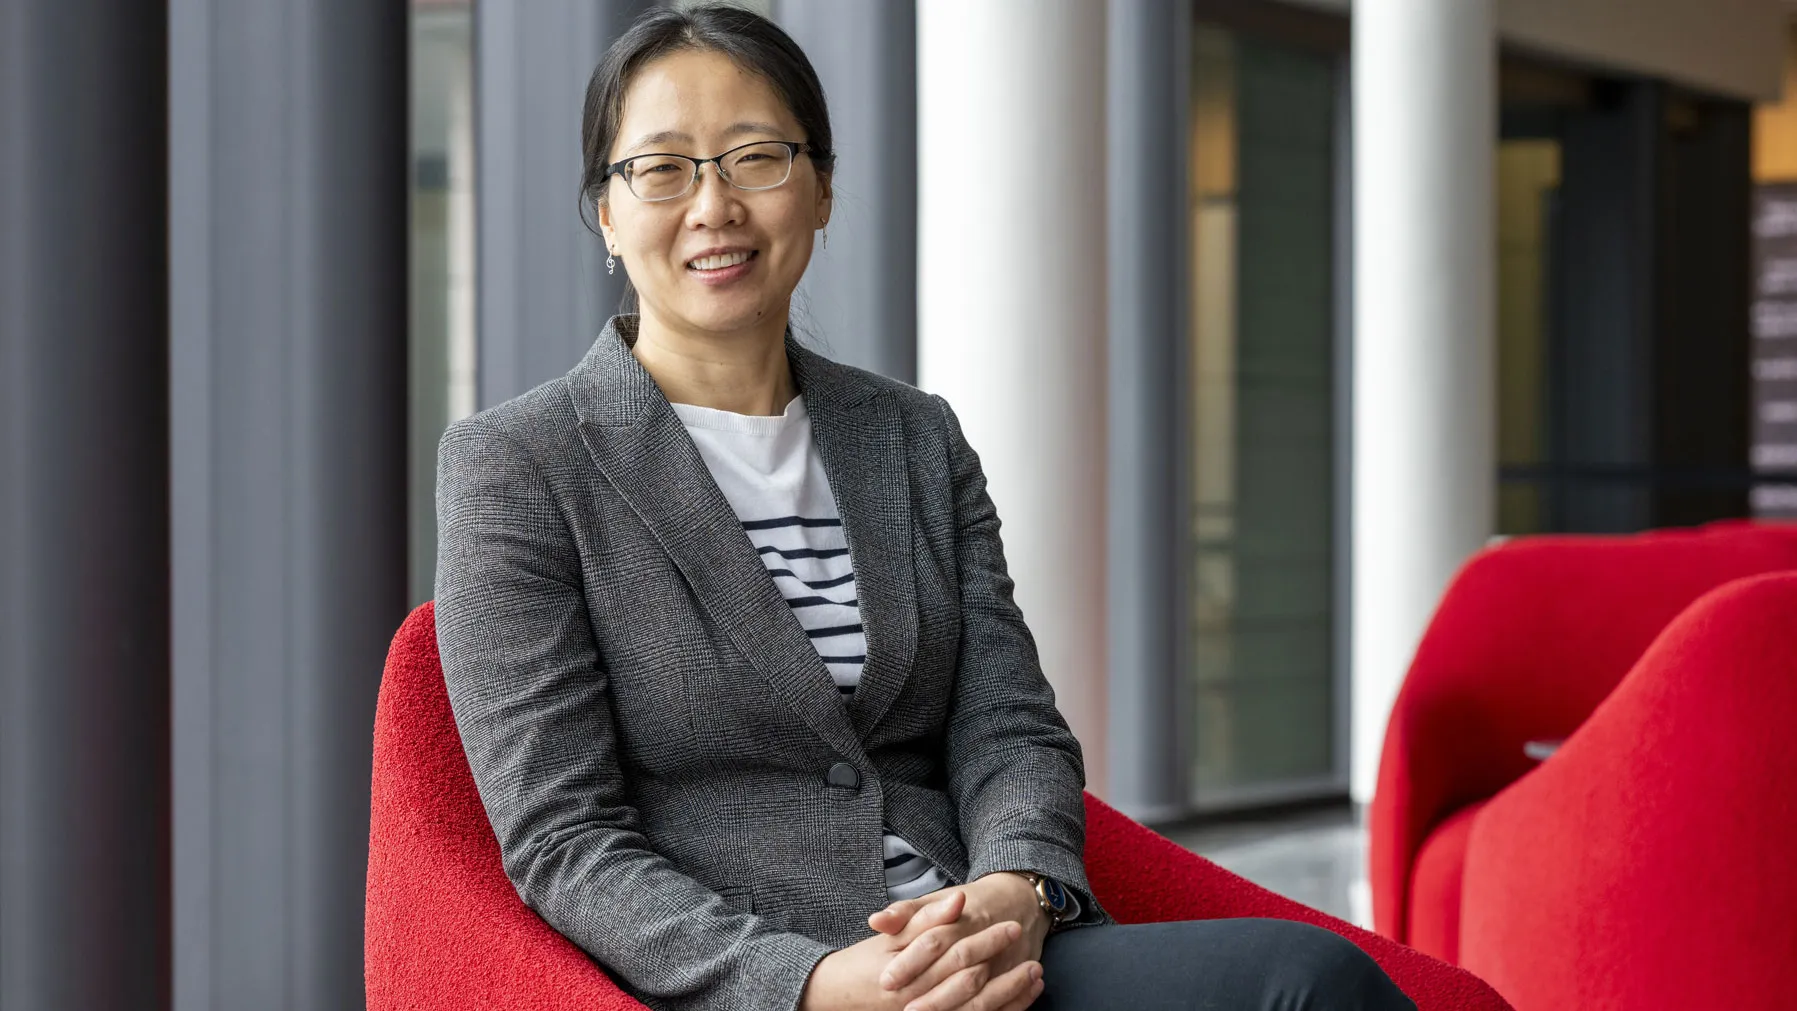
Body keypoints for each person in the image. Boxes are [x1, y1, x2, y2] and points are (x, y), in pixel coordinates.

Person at [433, 6, 1416, 1011]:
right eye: (663, 166)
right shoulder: (520, 464)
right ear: (605, 209)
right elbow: (564, 841)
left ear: (821, 187)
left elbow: (1008, 723)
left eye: (756, 156)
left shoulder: (912, 436)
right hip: (768, 984)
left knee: (1313, 984)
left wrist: (1015, 887)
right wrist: (811, 982)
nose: (714, 204)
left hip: (989, 954)